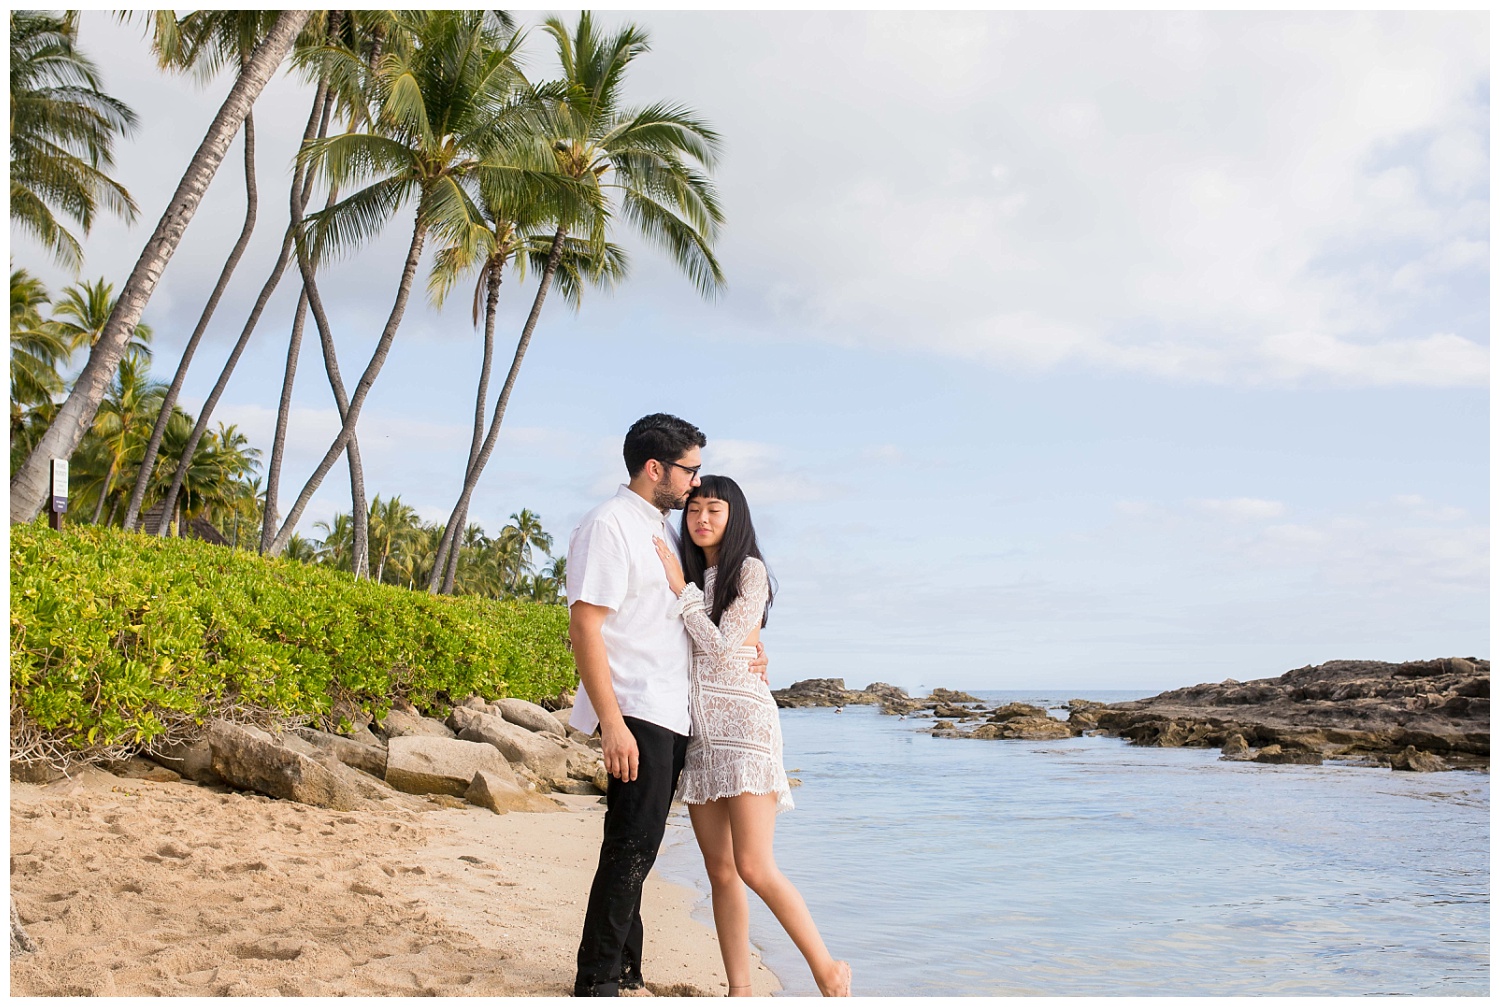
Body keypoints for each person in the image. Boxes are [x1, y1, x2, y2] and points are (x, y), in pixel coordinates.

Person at [567, 414, 767, 997]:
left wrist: (757, 645)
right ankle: (599, 980)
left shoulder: (659, 530)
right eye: (689, 470)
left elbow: (705, 616)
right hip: (637, 709)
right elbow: (585, 626)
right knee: (630, 844)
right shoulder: (610, 525)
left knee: (641, 843)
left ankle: (625, 969)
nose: (694, 483)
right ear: (656, 468)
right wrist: (611, 723)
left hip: (672, 711)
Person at [652, 475, 852, 998]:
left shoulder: (749, 570)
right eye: (694, 510)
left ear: (734, 516)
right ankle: (739, 989)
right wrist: (686, 590)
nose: (701, 520)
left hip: (745, 729)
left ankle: (826, 969)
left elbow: (720, 647)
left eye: (714, 510)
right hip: (700, 734)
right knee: (720, 870)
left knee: (754, 865)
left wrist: (682, 592)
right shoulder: (694, 573)